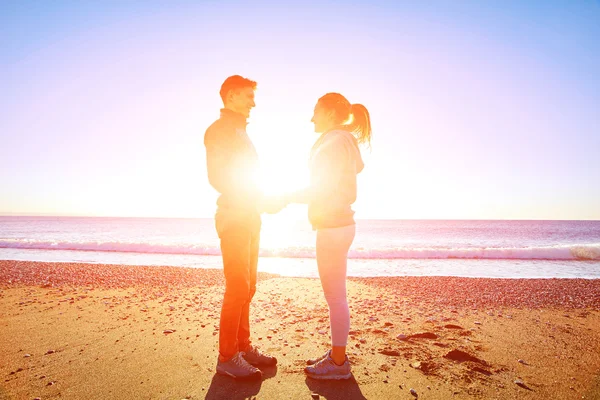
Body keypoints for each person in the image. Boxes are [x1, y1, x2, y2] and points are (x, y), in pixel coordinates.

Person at [204, 75, 283, 379]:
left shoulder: (241, 130)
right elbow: (218, 177)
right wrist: (258, 198)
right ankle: (227, 358)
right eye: (249, 95)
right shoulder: (219, 130)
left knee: (248, 286)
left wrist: (263, 200)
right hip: (234, 215)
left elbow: (249, 176)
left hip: (250, 214)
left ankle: (243, 346)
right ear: (233, 95)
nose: (254, 101)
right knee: (237, 286)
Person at [288, 92, 371, 380]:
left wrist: (283, 197)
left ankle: (338, 364)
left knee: (335, 297)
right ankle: (337, 355)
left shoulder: (334, 142)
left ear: (331, 113)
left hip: (333, 226)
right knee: (337, 295)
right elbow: (350, 172)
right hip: (341, 224)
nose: (312, 117)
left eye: (316, 111)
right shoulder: (343, 140)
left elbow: (320, 189)